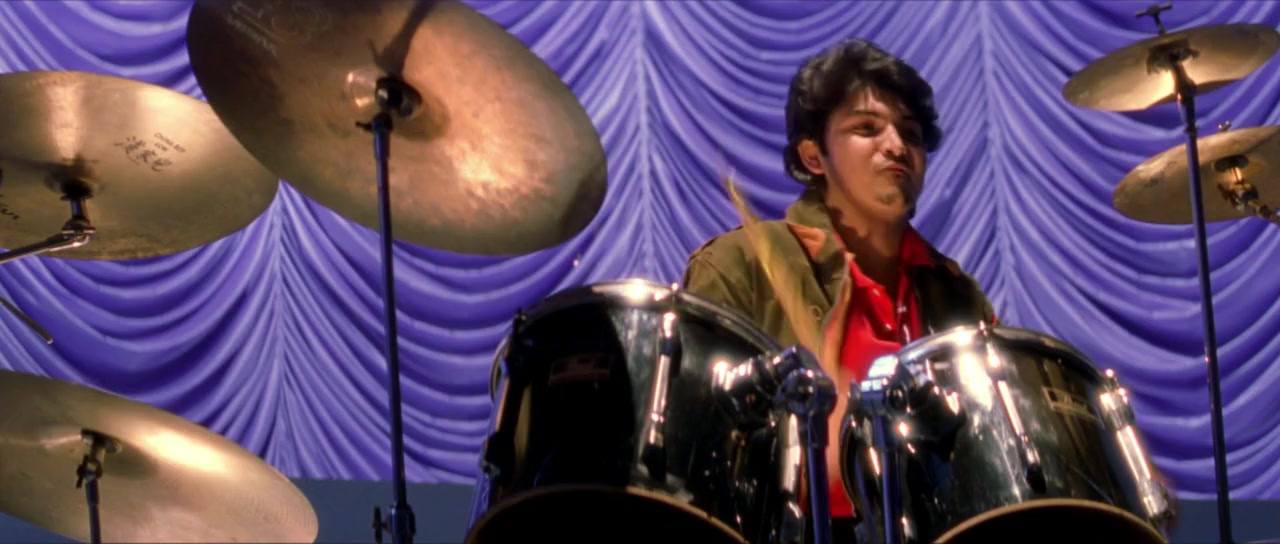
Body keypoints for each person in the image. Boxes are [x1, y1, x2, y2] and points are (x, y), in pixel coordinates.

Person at [682, 39, 996, 541]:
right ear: (814, 156)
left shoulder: (955, 293)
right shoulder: (740, 265)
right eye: (867, 128)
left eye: (911, 134)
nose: (896, 146)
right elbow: (698, 447)